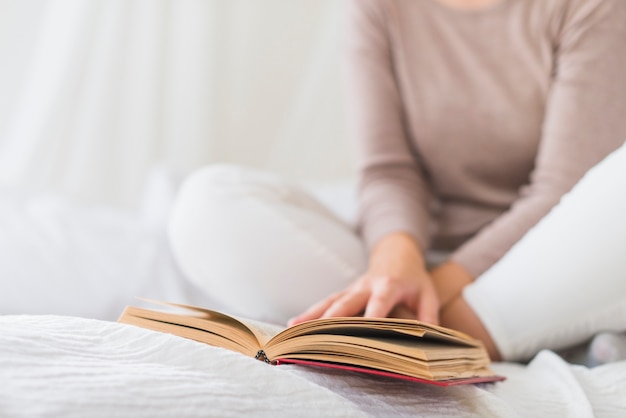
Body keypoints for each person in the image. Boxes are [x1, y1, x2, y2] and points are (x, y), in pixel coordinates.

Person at [168, 0, 626, 363]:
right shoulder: (380, 5)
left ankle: (422, 331)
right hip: (419, 259)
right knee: (207, 205)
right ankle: (475, 334)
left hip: (542, 262)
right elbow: (389, 169)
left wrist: (440, 285)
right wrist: (395, 261)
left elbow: (562, 189)